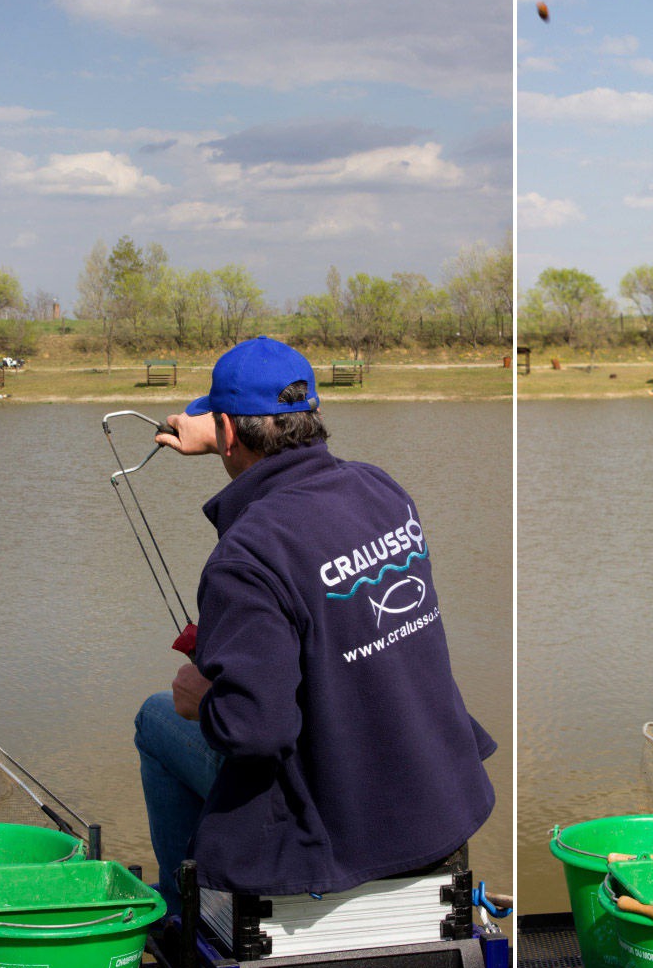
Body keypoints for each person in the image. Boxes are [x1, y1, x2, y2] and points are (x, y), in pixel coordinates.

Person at [134, 336, 496, 913]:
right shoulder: (381, 489)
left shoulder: (247, 555)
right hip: (440, 794)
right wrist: (227, 431)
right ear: (312, 414)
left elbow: (255, 732)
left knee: (157, 718)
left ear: (226, 432)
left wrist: (202, 700)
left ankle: (187, 919)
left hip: (345, 817)